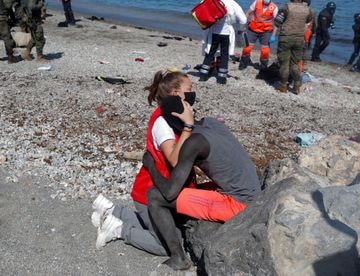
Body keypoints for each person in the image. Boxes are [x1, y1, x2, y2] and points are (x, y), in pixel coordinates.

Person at [143, 96, 261, 270]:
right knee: (190, 189)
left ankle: (178, 258)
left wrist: (151, 165)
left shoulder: (194, 142)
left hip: (239, 204)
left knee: (154, 196)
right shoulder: (213, 123)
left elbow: (169, 192)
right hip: (252, 192)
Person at [91, 69, 196, 256]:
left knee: (170, 229)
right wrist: (189, 127)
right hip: (150, 195)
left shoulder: (172, 116)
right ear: (175, 93)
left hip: (154, 191)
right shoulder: (163, 122)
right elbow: (173, 158)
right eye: (189, 88)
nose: (193, 92)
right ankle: (118, 230)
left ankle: (111, 210)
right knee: (169, 245)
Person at [198, 0, 246, 85]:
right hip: (226, 33)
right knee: (224, 55)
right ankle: (221, 78)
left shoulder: (211, 1)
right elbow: (243, 19)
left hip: (213, 31)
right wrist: (240, 30)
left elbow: (200, 9)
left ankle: (203, 75)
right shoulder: (232, 3)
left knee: (210, 53)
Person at [274, 0, 313, 94]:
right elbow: (308, 20)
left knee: (284, 62)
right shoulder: (308, 9)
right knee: (295, 63)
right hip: (299, 39)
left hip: (286, 38)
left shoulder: (286, 7)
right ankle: (296, 84)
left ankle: (283, 85)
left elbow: (277, 22)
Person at [239, 0, 278, 70]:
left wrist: (273, 35)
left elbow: (277, 23)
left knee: (265, 50)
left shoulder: (274, 8)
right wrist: (242, 26)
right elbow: (247, 13)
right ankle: (244, 62)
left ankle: (263, 66)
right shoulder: (256, 2)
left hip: (266, 31)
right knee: (247, 48)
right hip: (253, 29)